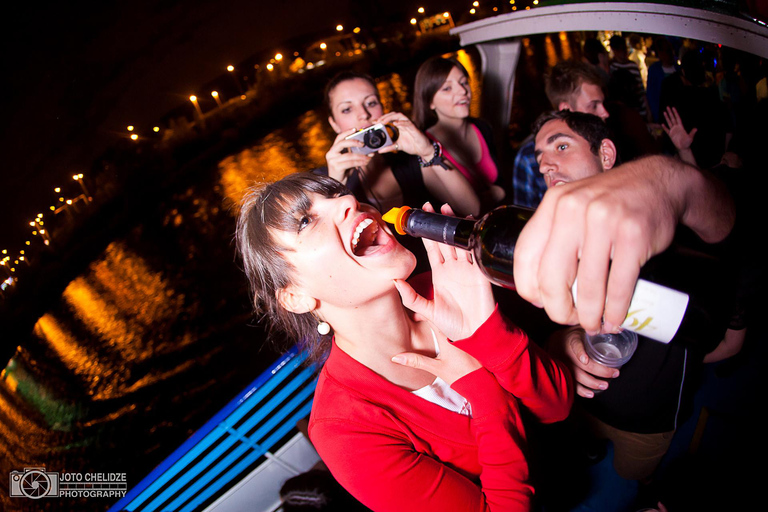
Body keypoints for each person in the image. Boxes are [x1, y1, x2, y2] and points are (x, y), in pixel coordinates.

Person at [236, 172, 573, 511]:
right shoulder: (343, 429)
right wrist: (481, 389)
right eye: (306, 220)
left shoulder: (448, 290)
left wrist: (485, 330)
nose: (348, 200)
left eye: (337, 193)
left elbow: (556, 407)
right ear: (295, 297)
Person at [529, 110, 738, 496]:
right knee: (584, 450)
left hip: (650, 421)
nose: (545, 163)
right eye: (540, 157)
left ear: (606, 155)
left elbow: (728, 331)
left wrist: (676, 365)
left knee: (634, 476)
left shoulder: (672, 231)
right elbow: (551, 320)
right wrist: (564, 344)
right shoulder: (551, 233)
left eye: (561, 146)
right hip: (584, 404)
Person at [319, 70, 480, 218]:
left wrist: (428, 152)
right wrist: (333, 186)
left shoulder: (409, 161)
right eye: (347, 109)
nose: (363, 114)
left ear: (382, 108)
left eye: (371, 103)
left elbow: (472, 210)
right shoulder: (320, 181)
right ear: (334, 124)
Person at [511, 60, 609, 208]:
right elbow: (525, 218)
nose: (605, 113)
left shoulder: (609, 140)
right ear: (566, 109)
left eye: (562, 147)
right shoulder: (528, 159)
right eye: (593, 105)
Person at [413, 56, 506, 212]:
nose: (463, 91)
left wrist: (498, 192)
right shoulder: (424, 148)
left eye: (463, 83)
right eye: (447, 88)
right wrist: (494, 193)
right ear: (430, 102)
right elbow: (466, 209)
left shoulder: (482, 128)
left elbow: (504, 183)